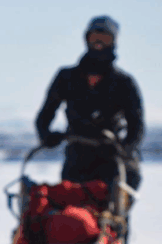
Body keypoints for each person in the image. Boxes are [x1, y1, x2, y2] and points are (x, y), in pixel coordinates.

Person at [35, 16, 144, 195]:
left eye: (105, 39)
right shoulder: (66, 77)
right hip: (76, 159)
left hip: (111, 161)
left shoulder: (124, 83)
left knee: (112, 217)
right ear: (86, 40)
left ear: (114, 42)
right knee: (71, 210)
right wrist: (46, 136)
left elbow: (137, 125)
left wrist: (126, 148)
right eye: (94, 38)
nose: (99, 44)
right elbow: (45, 115)